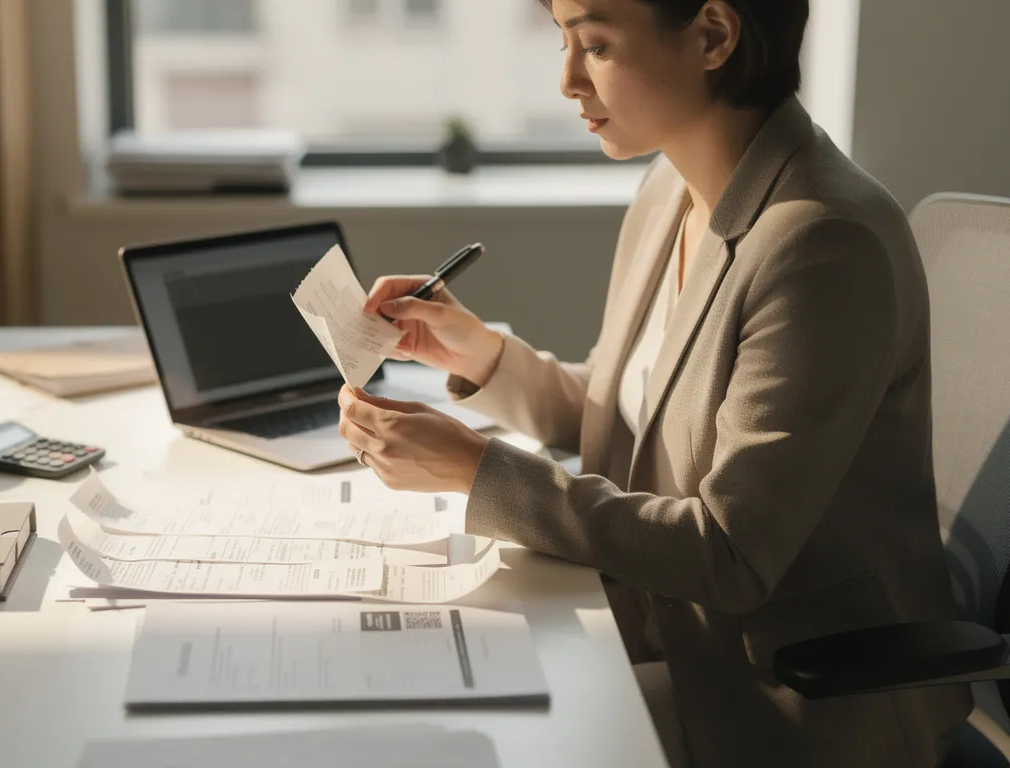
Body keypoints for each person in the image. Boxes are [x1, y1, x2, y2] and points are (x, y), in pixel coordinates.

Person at [336, 1, 972, 766]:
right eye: (562, 41)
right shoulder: (669, 192)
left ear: (712, 36)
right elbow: (628, 422)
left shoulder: (824, 243)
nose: (568, 79)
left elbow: (730, 554)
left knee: (451, 744)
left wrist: (480, 473)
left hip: (778, 701)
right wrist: (480, 357)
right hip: (657, 640)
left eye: (596, 45)